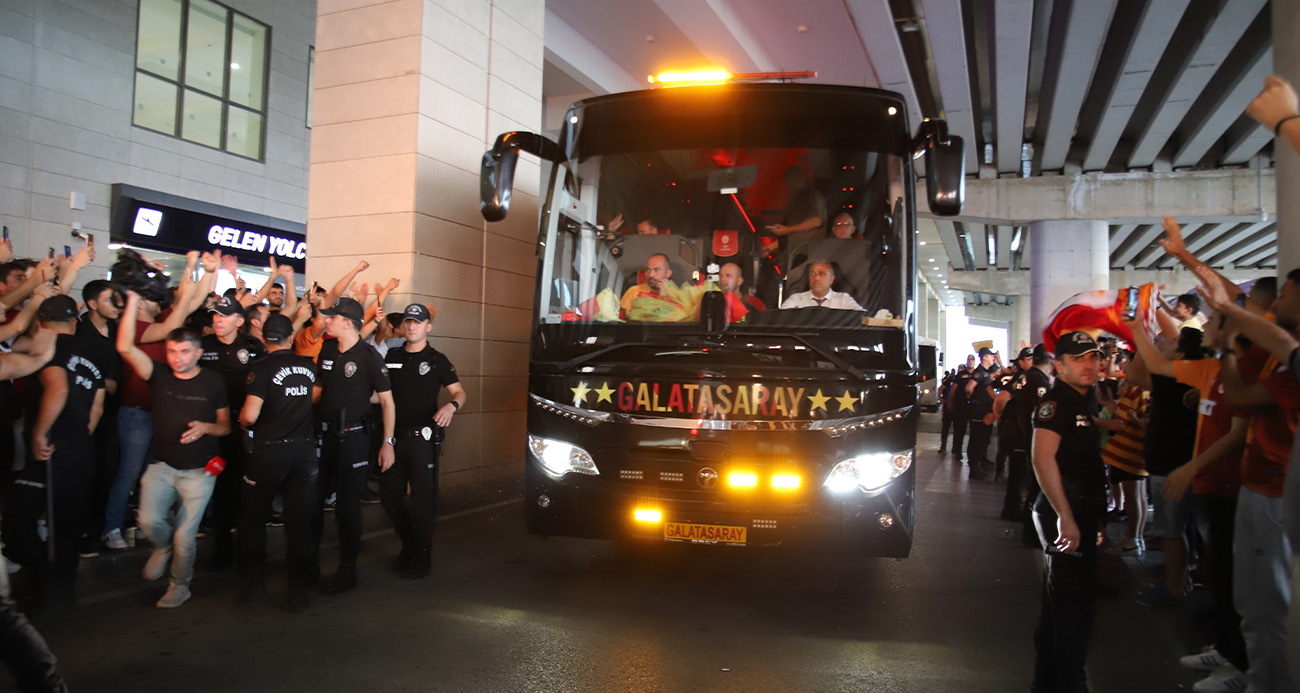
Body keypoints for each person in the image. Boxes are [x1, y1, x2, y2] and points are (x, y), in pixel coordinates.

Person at [1193, 264, 1300, 693]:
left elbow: (1238, 395)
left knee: (1269, 602)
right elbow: (1248, 311)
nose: (1275, 303)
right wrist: (1184, 256)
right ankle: (1248, 668)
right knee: (1250, 598)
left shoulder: (1284, 358)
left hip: (1276, 489)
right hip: (1256, 482)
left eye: (1285, 294)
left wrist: (1226, 347)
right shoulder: (1276, 349)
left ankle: (1265, 681)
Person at [116, 292, 231, 609]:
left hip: (200, 471)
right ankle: (161, 547)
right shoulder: (159, 374)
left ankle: (179, 585)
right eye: (171, 351)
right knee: (148, 521)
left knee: (185, 536)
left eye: (184, 352)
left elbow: (226, 426)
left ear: (199, 353)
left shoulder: (214, 381)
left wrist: (206, 428)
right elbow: (125, 346)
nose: (177, 358)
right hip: (162, 467)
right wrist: (131, 302)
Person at [1, 296, 105, 612]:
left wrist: (39, 433)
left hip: (49, 451)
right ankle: (60, 587)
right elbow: (96, 408)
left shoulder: (47, 351)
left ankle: (47, 583)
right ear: (75, 322)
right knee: (67, 526)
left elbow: (57, 388)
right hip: (79, 450)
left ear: (41, 324)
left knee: (17, 520)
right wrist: (77, 438)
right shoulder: (90, 356)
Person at [1030, 331, 1105, 692]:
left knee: (1061, 596)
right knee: (1073, 602)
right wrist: (1066, 516)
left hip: (1082, 508)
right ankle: (1069, 678)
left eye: (1093, 356)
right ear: (1059, 366)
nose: (1090, 364)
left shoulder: (1085, 400)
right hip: (1065, 509)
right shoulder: (1056, 403)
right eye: (1079, 359)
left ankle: (1049, 675)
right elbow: (1042, 458)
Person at [313, 297, 395, 595]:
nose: (327, 321)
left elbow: (387, 401)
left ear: (347, 322)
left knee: (347, 507)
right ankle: (309, 565)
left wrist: (387, 442)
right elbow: (317, 392)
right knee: (313, 501)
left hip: (356, 439)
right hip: (324, 437)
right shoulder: (327, 349)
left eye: (332, 318)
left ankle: (347, 569)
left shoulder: (369, 356)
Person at [236, 313, 317, 612]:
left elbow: (250, 416)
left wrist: (242, 421)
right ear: (290, 335)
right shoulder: (310, 367)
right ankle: (298, 592)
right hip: (304, 453)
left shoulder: (261, 369)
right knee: (299, 525)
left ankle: (254, 585)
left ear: (263, 339)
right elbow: (315, 398)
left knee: (253, 519)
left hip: (268, 453)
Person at [382, 304, 466, 579]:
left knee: (423, 500)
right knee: (390, 497)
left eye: (418, 322)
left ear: (428, 326)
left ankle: (423, 554)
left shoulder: (437, 359)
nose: (412, 326)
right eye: (408, 321)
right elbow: (380, 395)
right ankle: (410, 544)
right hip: (393, 438)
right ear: (403, 326)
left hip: (422, 441)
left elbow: (459, 392)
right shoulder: (392, 356)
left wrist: (451, 406)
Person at [200, 296, 266, 571]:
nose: (218, 320)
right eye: (215, 315)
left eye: (224, 316)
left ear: (239, 321)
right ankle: (222, 551)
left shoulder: (253, 347)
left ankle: (250, 551)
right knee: (220, 492)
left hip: (247, 429)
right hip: (215, 432)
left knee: (249, 491)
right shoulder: (202, 347)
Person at [770, 165, 826, 251]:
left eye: (787, 182)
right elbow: (796, 234)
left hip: (806, 254)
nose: (786, 186)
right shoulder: (802, 197)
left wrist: (787, 230)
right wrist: (769, 248)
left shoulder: (808, 194)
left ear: (794, 179)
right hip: (799, 254)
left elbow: (816, 221)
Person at [965, 347, 998, 480]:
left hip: (986, 411)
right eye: (991, 356)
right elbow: (969, 388)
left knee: (983, 439)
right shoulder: (979, 372)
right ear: (984, 357)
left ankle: (981, 462)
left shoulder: (985, 372)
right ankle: (974, 467)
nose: (993, 358)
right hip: (979, 411)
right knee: (976, 439)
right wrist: (974, 400)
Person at [780, 262, 863, 310]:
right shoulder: (796, 299)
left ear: (831, 280)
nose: (816, 278)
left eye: (821, 274)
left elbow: (861, 317)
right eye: (812, 274)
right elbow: (782, 318)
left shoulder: (843, 299)